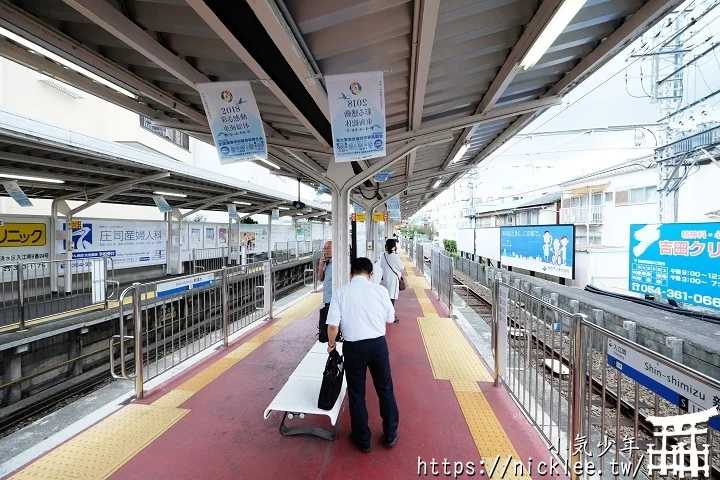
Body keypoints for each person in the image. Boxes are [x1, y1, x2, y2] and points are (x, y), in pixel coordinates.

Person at [325, 257, 399, 454]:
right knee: (385, 388)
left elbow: (332, 326)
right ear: (370, 274)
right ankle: (390, 433)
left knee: (357, 393)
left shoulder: (341, 292)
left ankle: (362, 439)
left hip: (353, 348)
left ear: (351, 273)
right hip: (378, 346)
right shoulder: (380, 291)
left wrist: (332, 345)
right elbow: (390, 319)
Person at [380, 238, 404, 322]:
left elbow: (381, 265)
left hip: (385, 278)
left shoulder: (383, 255)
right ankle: (390, 316)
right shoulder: (394, 256)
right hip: (393, 279)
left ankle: (387, 314)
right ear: (393, 246)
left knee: (387, 297)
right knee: (392, 297)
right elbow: (401, 267)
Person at [318, 241, 332, 307]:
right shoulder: (326, 262)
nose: (327, 250)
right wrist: (321, 266)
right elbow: (321, 279)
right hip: (327, 299)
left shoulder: (337, 263)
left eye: (329, 248)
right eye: (325, 248)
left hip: (333, 300)